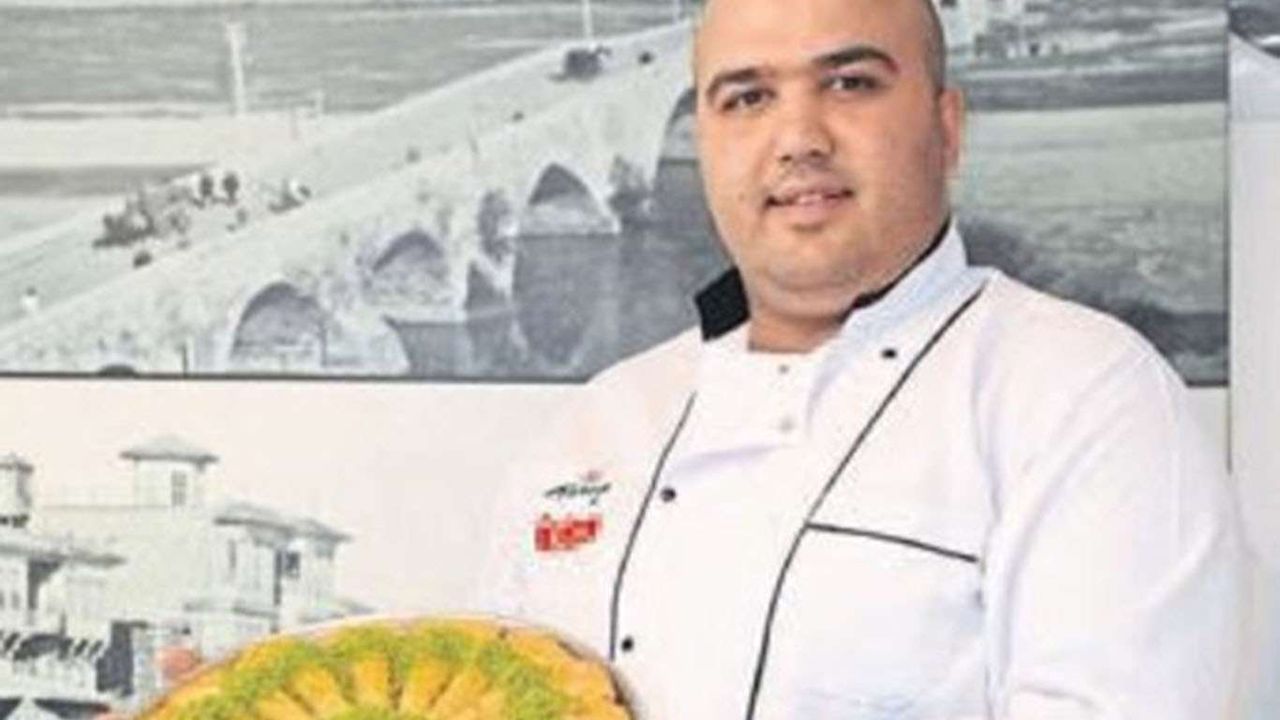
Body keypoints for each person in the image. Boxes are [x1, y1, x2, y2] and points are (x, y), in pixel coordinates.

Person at [480, 0, 1245, 718]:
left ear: (947, 129)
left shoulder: (1086, 397)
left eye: (850, 83)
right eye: (747, 98)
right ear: (704, 143)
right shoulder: (598, 423)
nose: (798, 139)